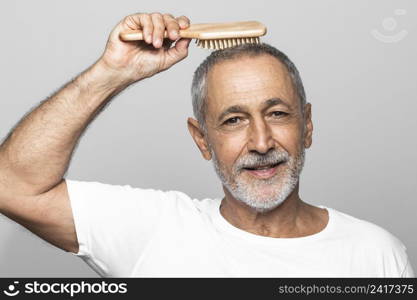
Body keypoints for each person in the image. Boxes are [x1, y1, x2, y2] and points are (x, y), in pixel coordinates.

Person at [0, 12, 414, 277]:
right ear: (202, 139)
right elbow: (11, 185)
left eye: (277, 113)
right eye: (233, 120)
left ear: (307, 125)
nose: (261, 141)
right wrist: (113, 72)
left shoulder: (375, 254)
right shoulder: (153, 230)